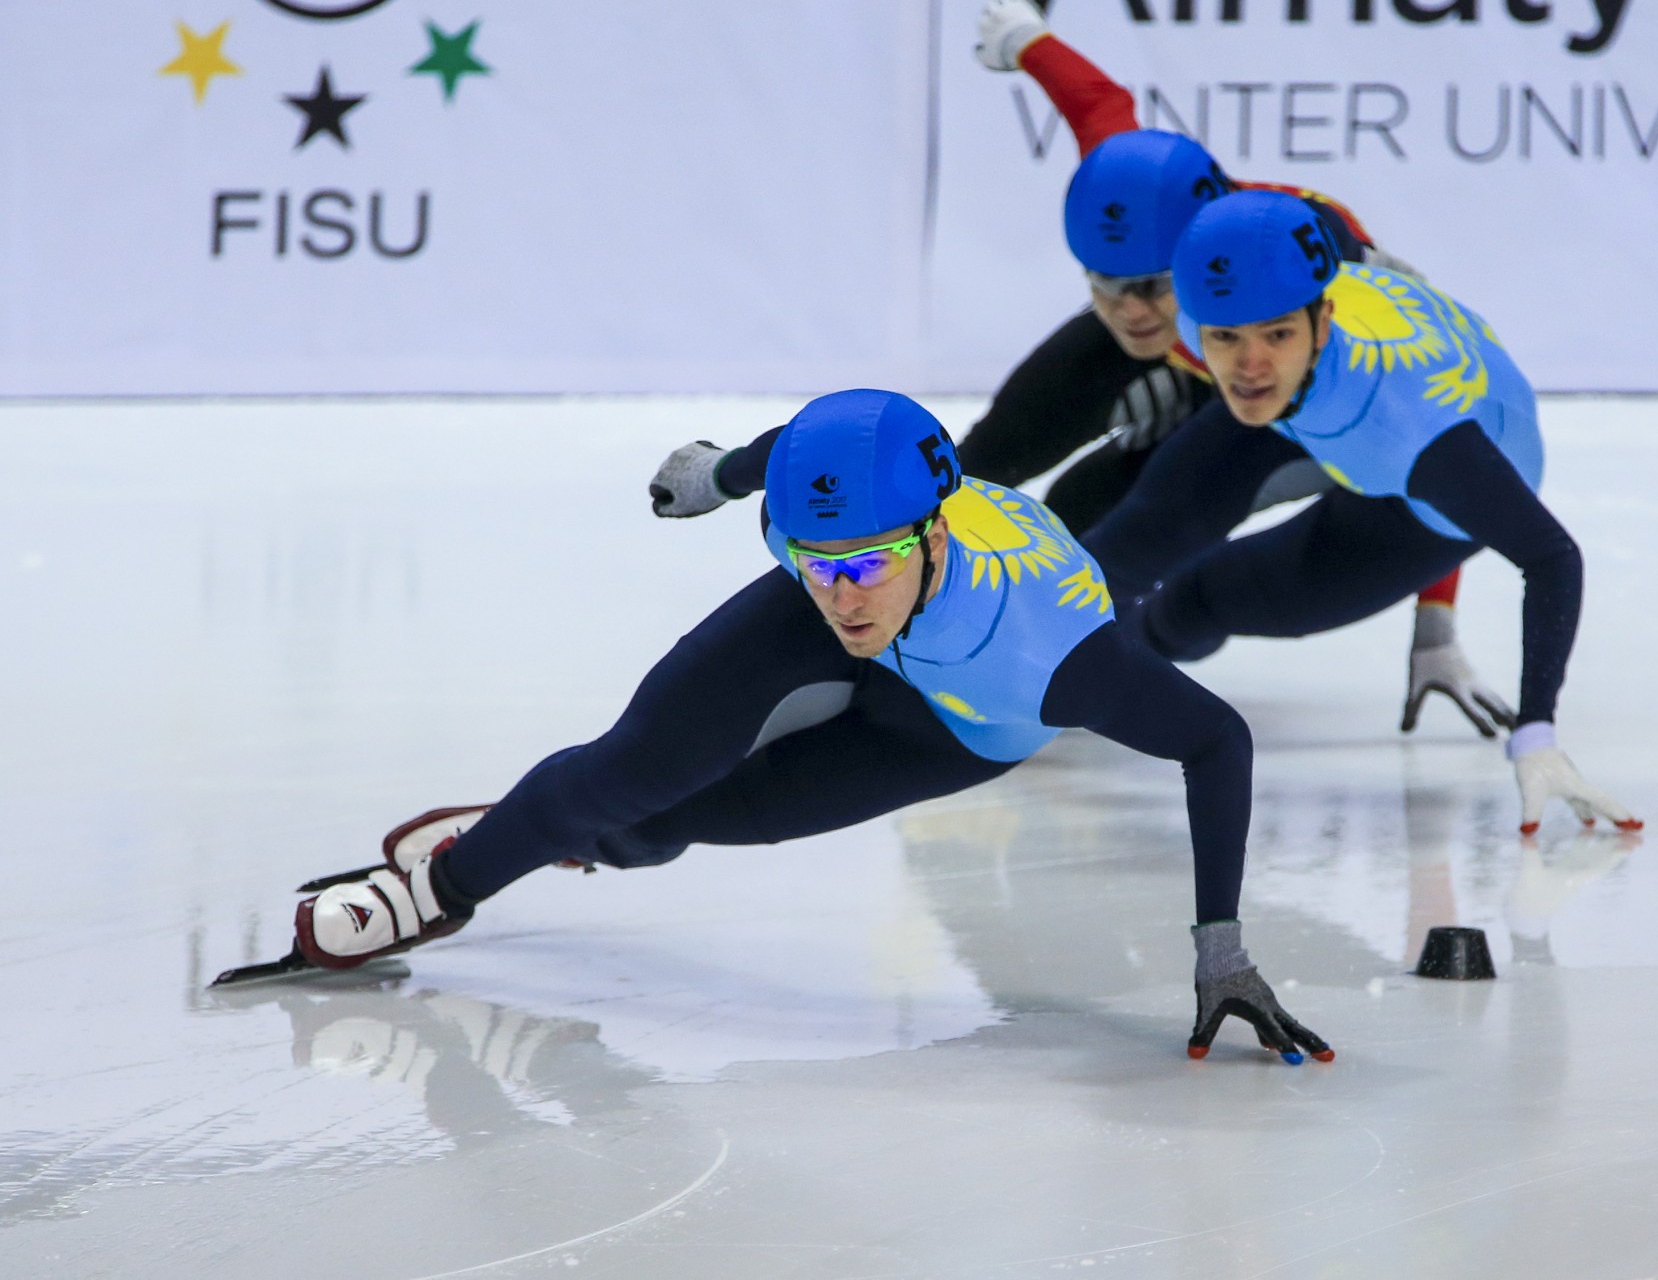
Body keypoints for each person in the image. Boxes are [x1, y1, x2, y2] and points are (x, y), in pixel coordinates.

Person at [285, 390, 1334, 1062]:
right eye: (816, 561)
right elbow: (788, 454)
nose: (844, 594)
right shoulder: (830, 529)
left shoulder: (1052, 649)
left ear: (930, 532)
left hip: (959, 722)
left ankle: (539, 827)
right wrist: (712, 477)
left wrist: (1219, 951)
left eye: (868, 563)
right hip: (911, 642)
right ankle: (442, 885)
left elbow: (1217, 741)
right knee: (636, 766)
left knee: (668, 824)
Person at [647, 0, 1514, 740]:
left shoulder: (1340, 310)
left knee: (1098, 523)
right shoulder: (1147, 207)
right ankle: (872, 616)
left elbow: (1443, 433)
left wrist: (1435, 621)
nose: (1129, 313)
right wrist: (1025, 38)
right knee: (980, 462)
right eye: (1103, 287)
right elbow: (1099, 109)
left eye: (1146, 289)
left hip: (1278, 393)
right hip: (1210, 348)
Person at [1079, 190, 1641, 835]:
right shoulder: (1227, 305)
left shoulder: (1415, 428)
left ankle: (1110, 666)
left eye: (1277, 333)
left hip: (1424, 493)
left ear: (1324, 322)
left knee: (1196, 604)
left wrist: (1535, 733)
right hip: (1314, 399)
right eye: (1225, 338)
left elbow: (1551, 556)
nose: (1250, 364)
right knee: (1122, 548)